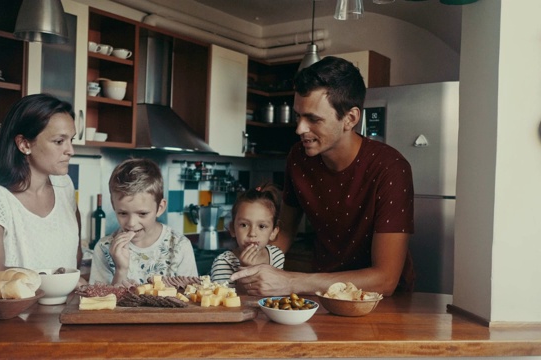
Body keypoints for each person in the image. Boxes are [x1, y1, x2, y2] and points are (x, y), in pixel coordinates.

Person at [231, 56, 415, 296]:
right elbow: (284, 230)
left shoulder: (391, 168)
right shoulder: (299, 157)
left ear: (350, 118)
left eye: (313, 119)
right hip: (323, 295)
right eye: (298, 116)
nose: (300, 129)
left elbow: (385, 279)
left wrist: (290, 282)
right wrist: (259, 260)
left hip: (380, 303)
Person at [0, 93, 83, 278]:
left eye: (71, 140)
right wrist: (53, 284)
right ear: (24, 144)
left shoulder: (64, 186)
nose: (70, 150)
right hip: (20, 308)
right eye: (59, 141)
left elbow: (75, 255)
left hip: (68, 306)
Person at [90, 158, 198, 286]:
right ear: (113, 205)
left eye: (142, 214)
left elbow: (191, 297)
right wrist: (121, 270)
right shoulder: (104, 248)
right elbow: (99, 303)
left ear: (160, 208)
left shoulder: (180, 246)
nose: (131, 223)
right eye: (123, 213)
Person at [210, 183, 285, 291]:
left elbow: (277, 294)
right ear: (232, 229)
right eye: (244, 225)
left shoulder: (276, 256)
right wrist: (245, 269)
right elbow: (224, 304)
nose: (252, 233)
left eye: (262, 226)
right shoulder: (223, 263)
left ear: (273, 232)